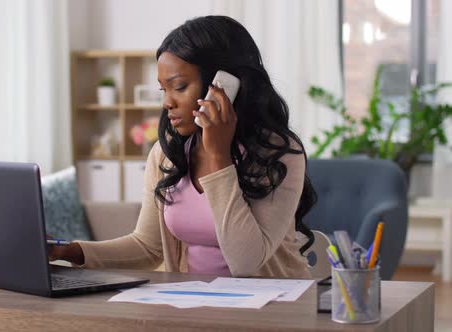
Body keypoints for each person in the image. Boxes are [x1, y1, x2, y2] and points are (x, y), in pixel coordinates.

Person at [49, 15, 317, 278]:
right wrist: (67, 252)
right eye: (163, 90)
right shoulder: (167, 155)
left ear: (224, 85)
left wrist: (218, 156)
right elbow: (147, 246)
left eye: (179, 86)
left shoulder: (278, 154)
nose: (167, 103)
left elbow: (245, 262)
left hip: (272, 311)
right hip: (193, 307)